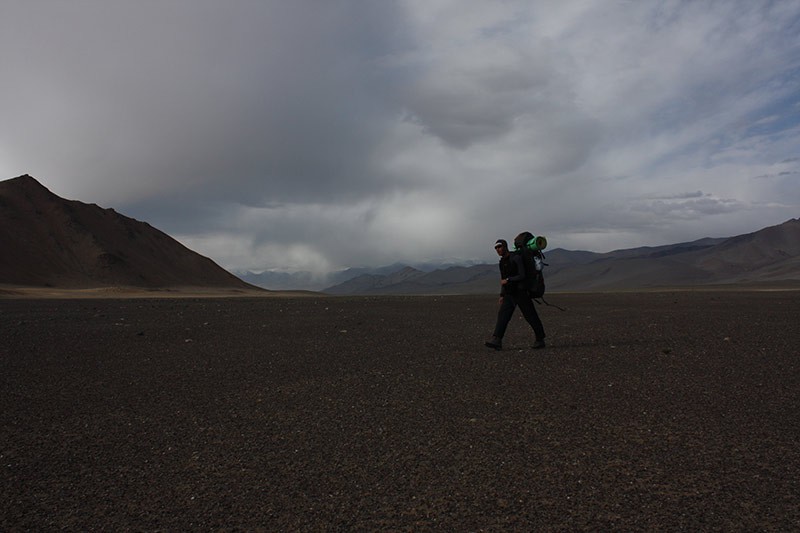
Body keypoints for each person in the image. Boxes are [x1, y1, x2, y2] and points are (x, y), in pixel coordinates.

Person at [485, 237, 546, 350]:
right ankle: (496, 340)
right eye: (496, 248)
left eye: (500, 247)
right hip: (509, 294)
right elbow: (502, 279)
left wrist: (509, 280)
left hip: (521, 292)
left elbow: (522, 275)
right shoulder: (502, 262)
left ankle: (540, 339)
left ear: (505, 246)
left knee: (530, 316)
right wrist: (502, 295)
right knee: (503, 316)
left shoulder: (516, 258)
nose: (498, 249)